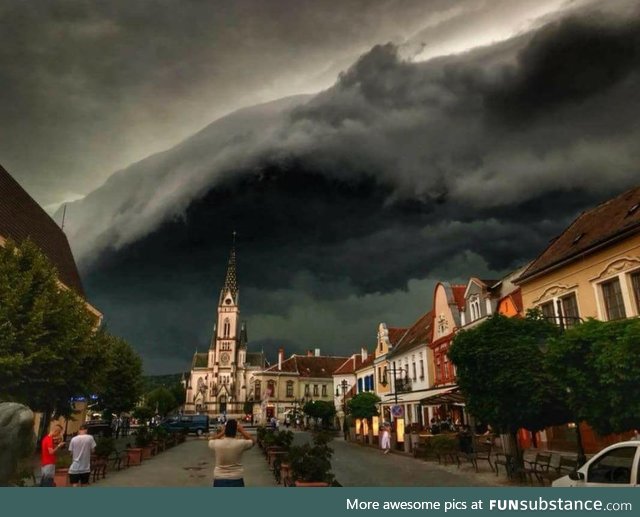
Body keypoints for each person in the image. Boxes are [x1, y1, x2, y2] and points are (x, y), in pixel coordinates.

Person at [208, 419, 255, 487]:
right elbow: (253, 441)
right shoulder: (240, 443)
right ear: (236, 431)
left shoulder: (217, 443)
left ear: (226, 430)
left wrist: (223, 432)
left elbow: (210, 440)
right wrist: (242, 431)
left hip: (219, 478)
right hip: (236, 478)